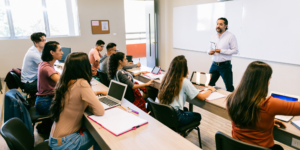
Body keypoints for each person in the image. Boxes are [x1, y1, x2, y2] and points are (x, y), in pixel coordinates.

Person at [227, 61, 300, 150]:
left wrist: (267, 120)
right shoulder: (269, 104)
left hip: (237, 147)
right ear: (264, 82)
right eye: (269, 79)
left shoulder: (231, 99)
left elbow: (248, 117)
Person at [49, 52, 107, 150]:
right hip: (66, 143)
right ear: (84, 67)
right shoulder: (82, 83)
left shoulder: (64, 81)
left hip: (55, 139)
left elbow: (76, 96)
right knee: (101, 135)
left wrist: (93, 95)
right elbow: (100, 111)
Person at [158, 55, 215, 127]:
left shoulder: (166, 78)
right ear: (184, 68)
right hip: (176, 116)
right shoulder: (184, 81)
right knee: (198, 116)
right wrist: (210, 90)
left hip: (164, 113)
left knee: (186, 109)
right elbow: (202, 97)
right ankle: (181, 133)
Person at [208, 17, 238, 92]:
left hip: (225, 65)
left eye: (221, 24)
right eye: (217, 24)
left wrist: (221, 51)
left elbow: (235, 51)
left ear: (226, 26)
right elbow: (209, 49)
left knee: (229, 87)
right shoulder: (213, 36)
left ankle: (232, 103)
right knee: (209, 84)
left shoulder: (231, 36)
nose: (218, 26)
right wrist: (209, 52)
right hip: (214, 64)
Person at [36, 41, 63, 115]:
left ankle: (46, 124)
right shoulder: (47, 67)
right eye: (60, 50)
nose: (62, 53)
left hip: (43, 101)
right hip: (46, 103)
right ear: (52, 52)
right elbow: (62, 82)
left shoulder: (44, 64)